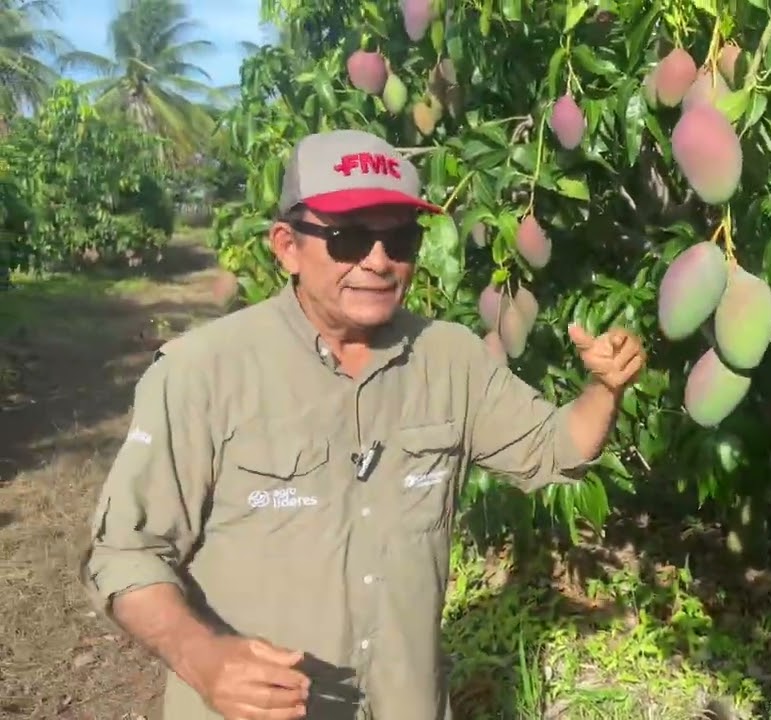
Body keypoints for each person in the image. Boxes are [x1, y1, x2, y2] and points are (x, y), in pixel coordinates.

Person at [79, 128, 647, 720]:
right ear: (286, 245)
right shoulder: (203, 372)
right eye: (347, 238)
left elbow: (556, 448)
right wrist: (206, 659)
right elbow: (124, 553)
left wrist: (605, 390)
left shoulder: (449, 358)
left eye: (398, 238)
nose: (378, 261)